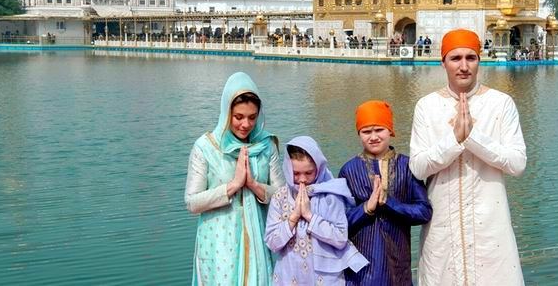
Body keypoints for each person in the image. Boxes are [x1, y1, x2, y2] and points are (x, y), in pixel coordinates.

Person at [409, 29, 527, 285]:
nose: (464, 66)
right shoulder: (427, 106)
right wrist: (453, 141)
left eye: (470, 58)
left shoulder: (501, 103)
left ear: (479, 60)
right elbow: (418, 168)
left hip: (490, 228)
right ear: (443, 62)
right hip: (442, 226)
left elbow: (517, 164)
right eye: (455, 58)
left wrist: (473, 138)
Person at [185, 72, 285, 286]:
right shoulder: (207, 148)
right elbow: (192, 202)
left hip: (258, 240)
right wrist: (232, 187)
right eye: (238, 117)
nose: (245, 124)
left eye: (252, 117)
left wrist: (254, 186)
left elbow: (283, 197)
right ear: (226, 112)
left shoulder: (266, 146)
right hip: (218, 243)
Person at [339, 100, 432, 285]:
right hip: (361, 269)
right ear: (359, 134)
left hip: (398, 265)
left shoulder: (407, 166)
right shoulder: (349, 170)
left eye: (379, 130)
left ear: (390, 130)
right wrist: (367, 208)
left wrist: (389, 202)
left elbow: (424, 212)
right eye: (366, 131)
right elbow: (339, 223)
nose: (373, 137)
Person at [265, 136, 368, 285]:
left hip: (326, 279)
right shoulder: (280, 197)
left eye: (308, 173)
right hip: (288, 275)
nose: (302, 180)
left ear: (319, 169)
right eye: (296, 173)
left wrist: (309, 216)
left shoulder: (331, 195)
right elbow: (272, 243)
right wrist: (293, 218)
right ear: (288, 169)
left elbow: (340, 238)